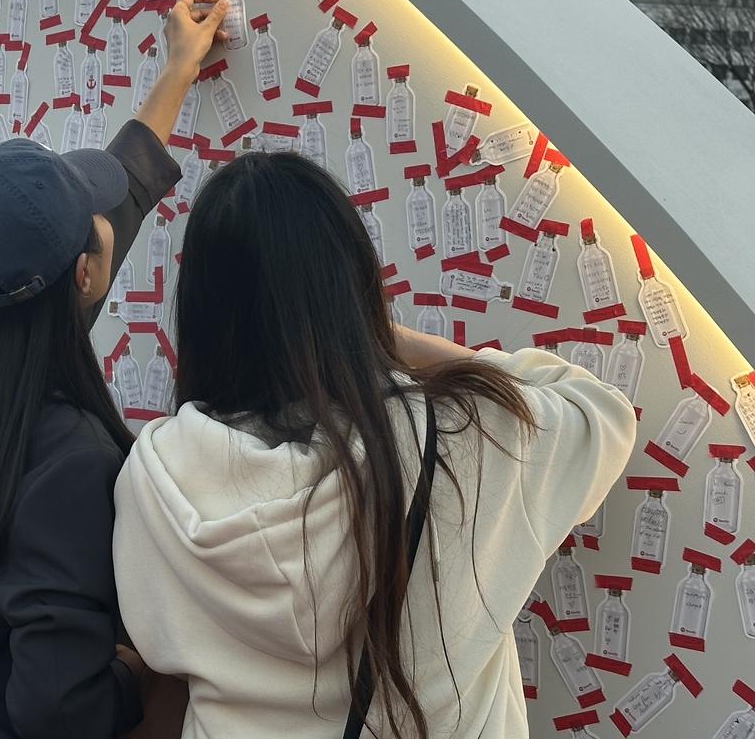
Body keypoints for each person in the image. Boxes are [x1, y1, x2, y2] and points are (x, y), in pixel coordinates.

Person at [112, 152, 637, 739]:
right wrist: (393, 341)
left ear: (203, 308)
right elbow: (601, 414)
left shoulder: (153, 478)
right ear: (352, 285)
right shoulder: (458, 439)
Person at [0, 0, 229, 739]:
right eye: (92, 224)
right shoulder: (71, 463)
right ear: (82, 276)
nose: (110, 221)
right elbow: (57, 710)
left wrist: (176, 71)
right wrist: (136, 676)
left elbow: (119, 195)